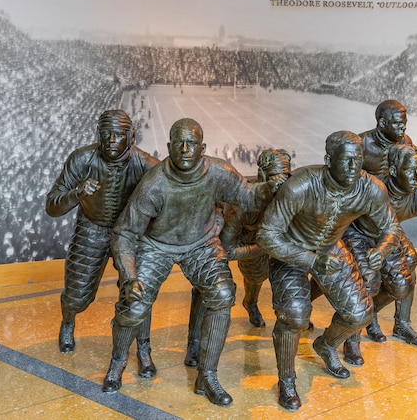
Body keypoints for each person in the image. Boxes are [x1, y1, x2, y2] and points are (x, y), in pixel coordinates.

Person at [104, 118, 284, 406]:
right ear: (169, 147)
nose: (186, 149)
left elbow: (248, 196)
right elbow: (124, 232)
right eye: (179, 143)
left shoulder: (218, 172)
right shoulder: (154, 183)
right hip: (156, 245)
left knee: (222, 294)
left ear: (203, 147)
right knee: (133, 304)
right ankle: (117, 362)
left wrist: (269, 189)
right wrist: (129, 276)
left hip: (201, 244)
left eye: (192, 143)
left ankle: (207, 375)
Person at [257, 131, 398, 411]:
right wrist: (310, 261)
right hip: (291, 249)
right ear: (328, 160)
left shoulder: (371, 189)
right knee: (294, 316)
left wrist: (381, 251)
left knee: (359, 313)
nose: (353, 167)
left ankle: (327, 345)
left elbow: (391, 226)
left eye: (358, 160)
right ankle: (287, 380)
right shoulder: (301, 185)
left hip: (331, 248)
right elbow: (266, 234)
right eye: (346, 160)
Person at [45, 110, 159, 377]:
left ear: (131, 137)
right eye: (106, 134)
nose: (111, 140)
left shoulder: (146, 164)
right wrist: (77, 193)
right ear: (98, 134)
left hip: (129, 233)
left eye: (118, 134)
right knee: (77, 294)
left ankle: (143, 348)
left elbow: (166, 199)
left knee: (138, 293)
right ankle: (68, 321)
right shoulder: (81, 159)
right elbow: (52, 206)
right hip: (91, 228)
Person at [341, 143, 417, 365]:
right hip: (357, 232)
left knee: (403, 283)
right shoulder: (373, 188)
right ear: (393, 170)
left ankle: (386, 319)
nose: (416, 176)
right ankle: (351, 338)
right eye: (410, 170)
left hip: (390, 233)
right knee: (367, 279)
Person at [184, 149, 293, 369]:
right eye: (275, 177)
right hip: (219, 236)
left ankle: (251, 303)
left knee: (257, 276)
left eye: (286, 176)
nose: (282, 183)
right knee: (207, 285)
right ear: (262, 176)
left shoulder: (290, 195)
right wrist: (262, 248)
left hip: (261, 241)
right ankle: (194, 342)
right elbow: (227, 249)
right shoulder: (243, 204)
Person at [357, 99, 417, 342]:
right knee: (371, 272)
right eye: (398, 124)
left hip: (389, 217)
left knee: (409, 261)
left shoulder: (404, 142)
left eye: (404, 123)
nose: (403, 128)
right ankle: (364, 319)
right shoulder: (362, 144)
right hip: (361, 221)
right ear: (382, 123)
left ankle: (401, 323)